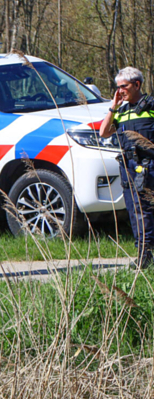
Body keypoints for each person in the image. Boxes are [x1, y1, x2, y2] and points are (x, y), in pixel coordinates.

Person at [99, 66, 154, 270]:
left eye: (124, 86)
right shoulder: (121, 111)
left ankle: (145, 256)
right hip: (128, 168)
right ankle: (143, 253)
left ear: (137, 85)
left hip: (148, 166)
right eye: (118, 87)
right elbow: (104, 132)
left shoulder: (151, 106)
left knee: (145, 211)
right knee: (134, 211)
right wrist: (113, 106)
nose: (120, 90)